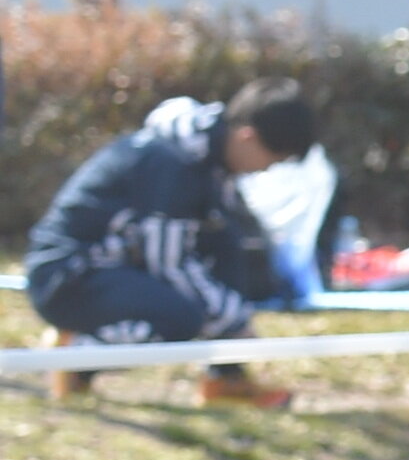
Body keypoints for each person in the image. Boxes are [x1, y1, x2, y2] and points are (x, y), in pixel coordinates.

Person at [24, 77, 313, 409]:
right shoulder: (171, 164)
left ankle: (226, 377)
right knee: (180, 318)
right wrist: (233, 320)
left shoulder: (209, 163)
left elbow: (213, 249)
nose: (264, 170)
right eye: (272, 160)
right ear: (248, 137)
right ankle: (77, 357)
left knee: (227, 245)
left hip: (113, 268)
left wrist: (229, 318)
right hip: (68, 275)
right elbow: (168, 262)